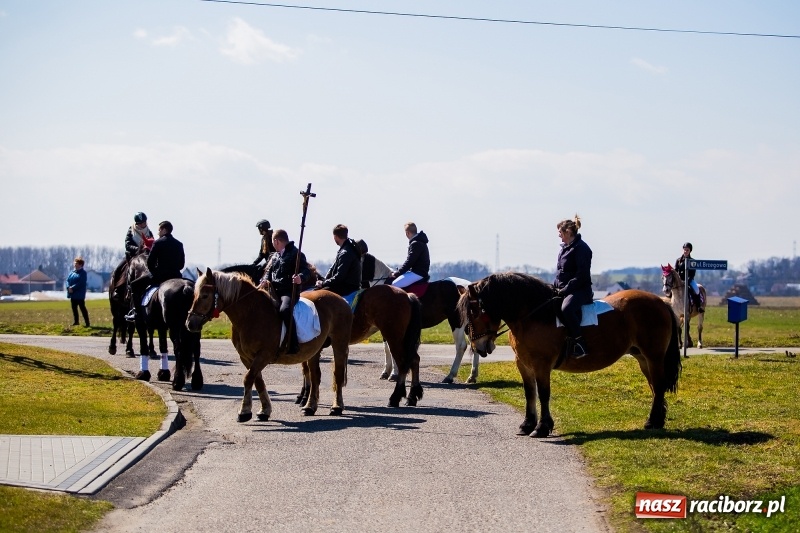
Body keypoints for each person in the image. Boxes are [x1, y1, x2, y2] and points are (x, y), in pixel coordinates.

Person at [258, 228, 310, 354]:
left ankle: (293, 343)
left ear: (276, 241)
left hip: (288, 292)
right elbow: (268, 272)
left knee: (284, 310)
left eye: (273, 241)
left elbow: (306, 270)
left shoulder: (296, 254)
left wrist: (300, 278)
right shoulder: (274, 256)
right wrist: (264, 280)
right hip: (274, 290)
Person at [126, 220, 185, 322]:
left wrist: (155, 271)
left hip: (160, 276)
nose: (158, 233)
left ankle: (137, 313)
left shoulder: (157, 243)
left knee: (134, 285)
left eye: (159, 230)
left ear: (164, 230)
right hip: (176, 276)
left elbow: (150, 263)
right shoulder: (179, 244)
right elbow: (181, 264)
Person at [553, 215, 593, 359]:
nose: (560, 237)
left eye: (561, 234)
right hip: (566, 289)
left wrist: (565, 289)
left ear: (569, 232)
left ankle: (579, 342)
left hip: (581, 290)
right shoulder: (564, 248)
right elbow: (560, 273)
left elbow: (581, 275)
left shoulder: (582, 249)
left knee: (567, 308)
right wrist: (553, 288)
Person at [315, 224, 362, 296]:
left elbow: (340, 276)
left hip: (346, 288)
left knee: (319, 295)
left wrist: (323, 283)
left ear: (335, 237)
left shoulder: (345, 252)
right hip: (349, 285)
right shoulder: (348, 249)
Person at [390, 222, 430, 289]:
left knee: (394, 285)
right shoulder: (419, 241)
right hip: (419, 272)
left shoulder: (415, 243)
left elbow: (410, 261)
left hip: (417, 273)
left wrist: (397, 273)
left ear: (407, 233)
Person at [675, 242, 704, 312]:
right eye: (684, 250)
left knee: (697, 290)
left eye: (687, 250)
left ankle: (698, 306)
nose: (685, 251)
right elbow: (676, 270)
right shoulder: (678, 260)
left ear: (690, 251)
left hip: (689, 280)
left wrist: (687, 281)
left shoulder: (692, 261)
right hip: (679, 280)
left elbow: (692, 274)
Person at [66, 257, 90, 327]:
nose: (75, 265)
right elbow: (67, 280)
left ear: (80, 265)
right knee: (74, 308)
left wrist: (73, 288)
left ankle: (87, 323)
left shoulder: (83, 273)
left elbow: (81, 283)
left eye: (76, 263)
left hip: (79, 295)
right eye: (75, 263)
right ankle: (76, 322)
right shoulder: (72, 272)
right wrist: (68, 287)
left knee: (82, 308)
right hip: (72, 294)